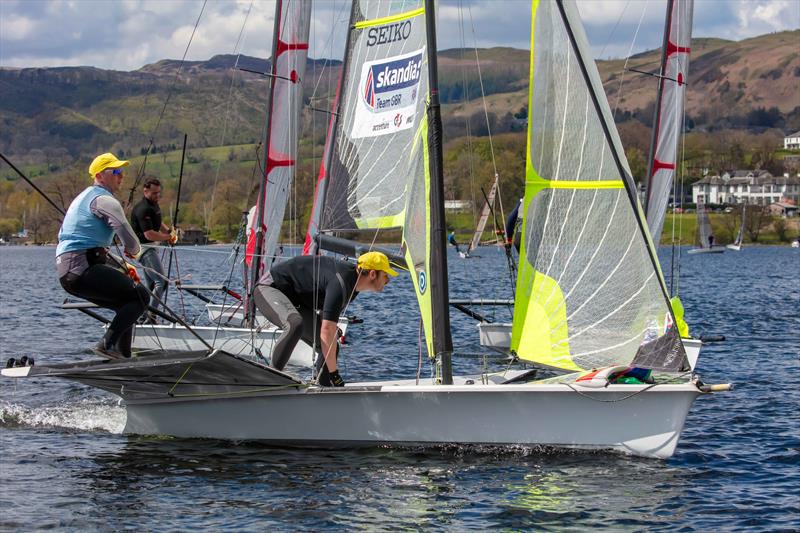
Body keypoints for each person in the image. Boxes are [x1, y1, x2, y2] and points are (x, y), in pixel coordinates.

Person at [253, 251, 397, 386]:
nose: (388, 280)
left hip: (296, 301)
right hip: (270, 288)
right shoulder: (341, 283)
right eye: (385, 275)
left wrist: (332, 332)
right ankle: (271, 379)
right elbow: (327, 329)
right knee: (295, 324)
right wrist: (335, 374)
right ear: (372, 274)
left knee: (331, 347)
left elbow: (326, 319)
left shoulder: (352, 287)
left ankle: (323, 387)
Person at [56, 153, 148, 359]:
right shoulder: (104, 200)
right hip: (81, 269)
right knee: (141, 296)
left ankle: (122, 355)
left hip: (69, 271)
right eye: (115, 171)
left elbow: (87, 245)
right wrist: (133, 252)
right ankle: (106, 346)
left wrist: (122, 265)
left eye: (121, 171)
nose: (121, 176)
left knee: (127, 302)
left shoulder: (83, 198)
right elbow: (131, 241)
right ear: (99, 175)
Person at [131, 178, 177, 322]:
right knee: (161, 282)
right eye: (154, 193)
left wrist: (168, 230)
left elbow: (158, 221)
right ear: (145, 191)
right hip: (144, 249)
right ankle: (151, 316)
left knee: (152, 285)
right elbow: (149, 234)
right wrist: (168, 237)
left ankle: (143, 316)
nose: (157, 196)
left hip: (151, 248)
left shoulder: (154, 205)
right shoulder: (142, 208)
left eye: (159, 193)